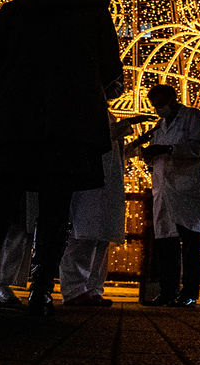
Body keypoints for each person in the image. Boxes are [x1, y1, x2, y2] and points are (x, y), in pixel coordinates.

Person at [0, 0, 124, 316]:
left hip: (14, 122)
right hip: (70, 126)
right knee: (55, 211)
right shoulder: (95, 13)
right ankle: (41, 293)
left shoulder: (16, 8)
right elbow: (111, 69)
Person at [137, 83, 200, 308]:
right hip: (163, 188)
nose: (158, 108)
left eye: (161, 104)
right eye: (155, 105)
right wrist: (148, 154)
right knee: (166, 243)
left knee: (189, 241)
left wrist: (168, 150)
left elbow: (199, 147)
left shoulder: (192, 117)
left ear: (172, 99)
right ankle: (168, 291)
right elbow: (156, 152)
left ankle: (189, 293)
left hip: (187, 188)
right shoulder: (160, 124)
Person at [60, 113, 141, 306]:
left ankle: (93, 288)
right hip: (88, 184)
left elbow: (115, 153)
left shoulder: (109, 115)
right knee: (83, 237)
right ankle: (74, 290)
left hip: (108, 187)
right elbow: (96, 136)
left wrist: (135, 144)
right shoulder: (84, 109)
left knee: (101, 239)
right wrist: (127, 125)